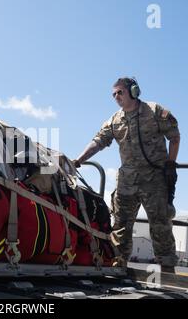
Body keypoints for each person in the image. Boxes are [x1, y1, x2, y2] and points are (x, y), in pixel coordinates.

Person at [73, 77, 181, 272]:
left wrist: (170, 165)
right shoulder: (114, 120)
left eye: (120, 92)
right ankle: (118, 264)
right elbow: (98, 141)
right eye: (113, 94)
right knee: (121, 225)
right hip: (127, 181)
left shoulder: (154, 111)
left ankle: (167, 270)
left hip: (154, 179)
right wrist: (78, 160)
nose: (116, 97)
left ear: (134, 91)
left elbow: (174, 137)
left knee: (160, 224)